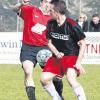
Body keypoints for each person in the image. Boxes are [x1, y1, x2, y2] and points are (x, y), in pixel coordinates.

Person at [12, 0, 64, 100]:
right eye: (45, 1)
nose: (47, 4)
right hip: (28, 48)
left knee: (56, 76)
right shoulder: (30, 10)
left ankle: (59, 97)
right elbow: (14, 9)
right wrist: (22, 4)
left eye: (50, 2)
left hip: (46, 48)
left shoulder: (54, 17)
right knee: (28, 71)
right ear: (41, 3)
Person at [40, 0, 86, 100]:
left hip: (71, 56)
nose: (49, 12)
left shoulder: (72, 25)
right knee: (43, 79)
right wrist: (56, 52)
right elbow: (48, 42)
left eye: (51, 10)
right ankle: (57, 98)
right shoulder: (50, 23)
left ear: (57, 11)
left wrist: (78, 63)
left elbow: (83, 44)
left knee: (70, 78)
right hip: (56, 57)